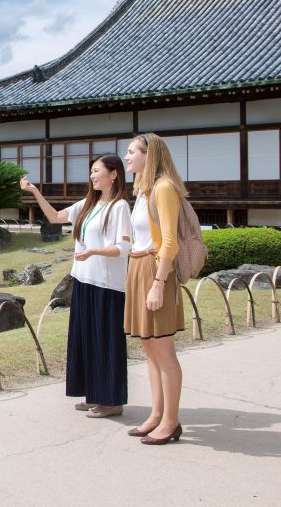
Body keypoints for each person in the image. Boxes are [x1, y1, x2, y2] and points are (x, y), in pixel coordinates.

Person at [20, 153, 132, 418]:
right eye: (91, 171)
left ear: (113, 174)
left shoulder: (119, 207)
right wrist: (35, 191)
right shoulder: (87, 204)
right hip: (82, 279)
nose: (92, 176)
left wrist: (94, 251)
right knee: (86, 340)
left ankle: (112, 400)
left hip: (107, 286)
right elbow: (56, 217)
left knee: (106, 342)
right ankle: (94, 394)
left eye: (97, 171)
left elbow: (124, 247)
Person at [123, 133, 186, 445]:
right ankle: (157, 414)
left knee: (162, 349)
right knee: (149, 348)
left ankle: (171, 421)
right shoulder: (143, 191)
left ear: (150, 155)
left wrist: (158, 284)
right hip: (138, 267)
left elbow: (170, 241)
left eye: (132, 151)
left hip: (154, 270)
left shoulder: (163, 188)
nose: (126, 157)